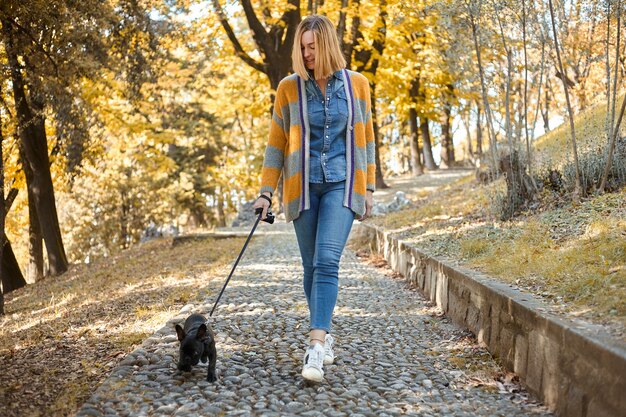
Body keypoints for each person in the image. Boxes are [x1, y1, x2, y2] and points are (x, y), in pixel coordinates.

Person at [252, 14, 376, 383]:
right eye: (302, 48)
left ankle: (316, 348)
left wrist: (368, 188)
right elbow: (276, 145)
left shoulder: (358, 85)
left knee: (326, 261)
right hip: (302, 187)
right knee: (310, 269)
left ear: (327, 46)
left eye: (312, 47)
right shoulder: (288, 88)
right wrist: (265, 192)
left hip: (342, 184)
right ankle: (324, 330)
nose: (307, 54)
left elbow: (366, 138)